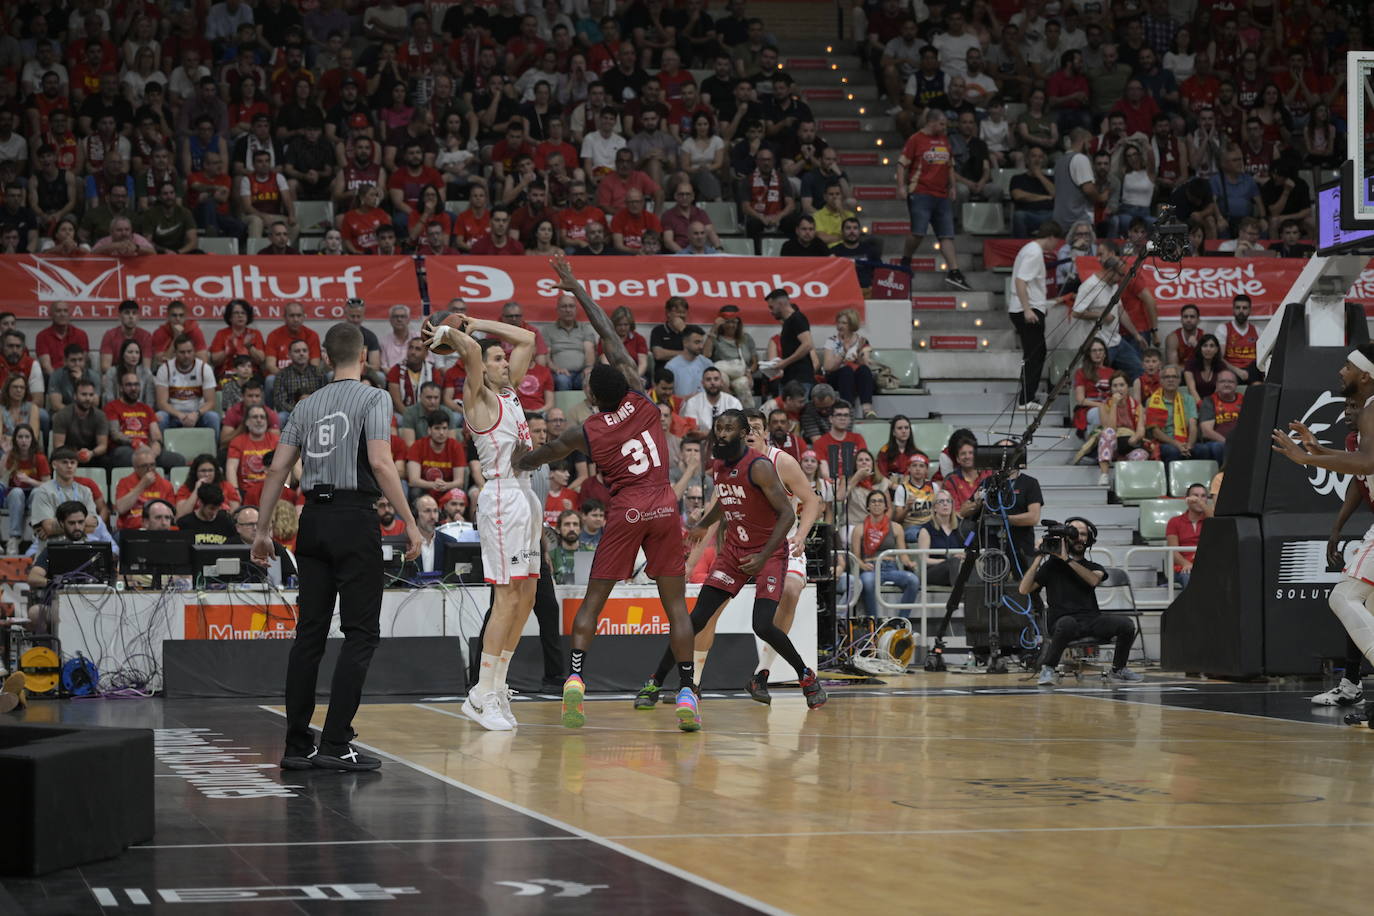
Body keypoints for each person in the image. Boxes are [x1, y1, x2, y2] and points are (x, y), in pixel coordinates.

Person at [511, 254, 699, 729]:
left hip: (628, 510)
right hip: (664, 505)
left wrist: (518, 460)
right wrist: (577, 288)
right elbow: (610, 336)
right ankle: (687, 693)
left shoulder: (587, 431)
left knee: (593, 602)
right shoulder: (642, 397)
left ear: (592, 397)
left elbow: (544, 454)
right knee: (676, 606)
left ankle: (575, 680)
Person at [251, 322, 419, 772]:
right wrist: (410, 521)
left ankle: (296, 744)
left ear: (325, 358)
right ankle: (336, 742)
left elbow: (277, 470)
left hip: (313, 520)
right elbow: (381, 462)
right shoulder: (374, 398)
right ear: (364, 356)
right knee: (360, 634)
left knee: (310, 634)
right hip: (354, 518)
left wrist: (262, 530)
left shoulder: (306, 406)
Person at [639, 409, 827, 710]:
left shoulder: (767, 465)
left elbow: (793, 511)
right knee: (696, 619)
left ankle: (801, 675)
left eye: (732, 429)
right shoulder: (720, 464)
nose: (724, 433)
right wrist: (702, 527)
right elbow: (723, 502)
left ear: (751, 433)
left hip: (771, 549)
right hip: (734, 551)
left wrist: (782, 546)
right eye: (720, 428)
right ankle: (657, 681)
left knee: (766, 620)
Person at [423, 309, 538, 733]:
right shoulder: (478, 398)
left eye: (505, 359)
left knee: (527, 597)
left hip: (526, 494)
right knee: (506, 597)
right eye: (497, 359)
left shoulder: (509, 393)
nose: (506, 362)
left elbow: (526, 338)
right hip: (502, 496)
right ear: (482, 369)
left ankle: (498, 684)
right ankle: (480, 692)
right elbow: (470, 350)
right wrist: (452, 331)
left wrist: (476, 321)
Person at [1272, 347, 1374, 718]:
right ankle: (1355, 686)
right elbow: (1362, 468)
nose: (1340, 371)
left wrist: (1307, 457)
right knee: (1367, 607)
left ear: (1365, 375)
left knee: (1344, 597)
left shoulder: (1372, 409)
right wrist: (1315, 449)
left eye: (1348, 366)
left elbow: (1368, 463)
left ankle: (1353, 684)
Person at [1020, 518, 1142, 686]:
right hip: (1062, 621)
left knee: (1126, 624)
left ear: (1089, 539)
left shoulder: (1093, 566)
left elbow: (1093, 580)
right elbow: (1024, 590)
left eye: (1083, 534)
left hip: (1092, 620)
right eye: (1074, 534)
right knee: (1067, 623)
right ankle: (1048, 669)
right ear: (1066, 539)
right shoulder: (1051, 566)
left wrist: (1067, 559)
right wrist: (1038, 558)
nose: (1079, 538)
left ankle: (1118, 669)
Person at [896, 110, 971, 291]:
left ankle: (954, 272)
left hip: (941, 195)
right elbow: (901, 164)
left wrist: (952, 187)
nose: (945, 128)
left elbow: (950, 166)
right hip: (920, 192)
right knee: (918, 232)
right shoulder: (916, 139)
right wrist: (901, 186)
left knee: (946, 235)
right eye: (942, 124)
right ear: (931, 122)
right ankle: (905, 260)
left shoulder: (944, 140)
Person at [1010, 222, 1063, 410]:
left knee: (1034, 353)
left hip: (1028, 307)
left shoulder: (1029, 249)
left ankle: (1026, 397)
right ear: (1051, 237)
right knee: (1035, 354)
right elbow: (1020, 281)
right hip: (1027, 309)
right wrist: (1027, 309)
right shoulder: (1034, 252)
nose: (1055, 246)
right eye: (1056, 241)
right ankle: (1026, 398)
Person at [156, 334, 221, 438]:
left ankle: (215, 448)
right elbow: (161, 403)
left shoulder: (204, 369)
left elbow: (211, 402)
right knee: (160, 416)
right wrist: (179, 414)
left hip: (197, 415)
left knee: (213, 417)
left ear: (194, 351)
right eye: (182, 352)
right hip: (174, 415)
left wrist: (196, 414)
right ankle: (159, 447)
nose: (186, 355)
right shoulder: (165, 369)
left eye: (189, 351)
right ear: (175, 353)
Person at [1145, 364, 1199, 462]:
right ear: (1161, 381)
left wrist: (1189, 446)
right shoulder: (1153, 401)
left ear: (1179, 380)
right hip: (1163, 443)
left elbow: (1193, 426)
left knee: (1203, 450)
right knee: (1173, 451)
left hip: (1186, 442)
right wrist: (1177, 444)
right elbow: (1155, 432)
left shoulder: (1189, 399)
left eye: (1174, 377)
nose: (1171, 380)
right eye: (1167, 377)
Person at [916, 490, 963, 586]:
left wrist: (965, 552)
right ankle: (959, 594)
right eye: (941, 501)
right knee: (954, 563)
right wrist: (946, 562)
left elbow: (970, 538)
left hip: (957, 568)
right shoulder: (926, 530)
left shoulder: (962, 525)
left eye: (948, 501)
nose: (945, 504)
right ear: (934, 508)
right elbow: (924, 560)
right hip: (934, 571)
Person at [1166, 482, 1207, 589]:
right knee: (1189, 575)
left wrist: (1201, 504)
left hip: (1207, 566)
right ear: (1187, 499)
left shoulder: (1210, 520)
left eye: (1203, 496)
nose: (1199, 499)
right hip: (1184, 568)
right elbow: (1174, 552)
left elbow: (1215, 518)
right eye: (1195, 496)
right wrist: (1186, 563)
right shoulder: (1174, 522)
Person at [1215, 294, 1261, 385]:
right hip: (1231, 369)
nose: (1241, 311)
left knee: (1257, 368)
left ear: (1250, 310)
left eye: (1244, 308)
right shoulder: (1223, 328)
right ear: (1233, 310)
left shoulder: (1258, 331)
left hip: (1252, 371)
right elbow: (1219, 358)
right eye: (1238, 308)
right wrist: (1237, 371)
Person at [679, 367, 742, 432]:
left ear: (721, 382)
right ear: (702, 383)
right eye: (708, 379)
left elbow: (738, 428)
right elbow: (692, 431)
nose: (712, 382)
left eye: (716, 379)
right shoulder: (692, 402)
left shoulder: (733, 402)